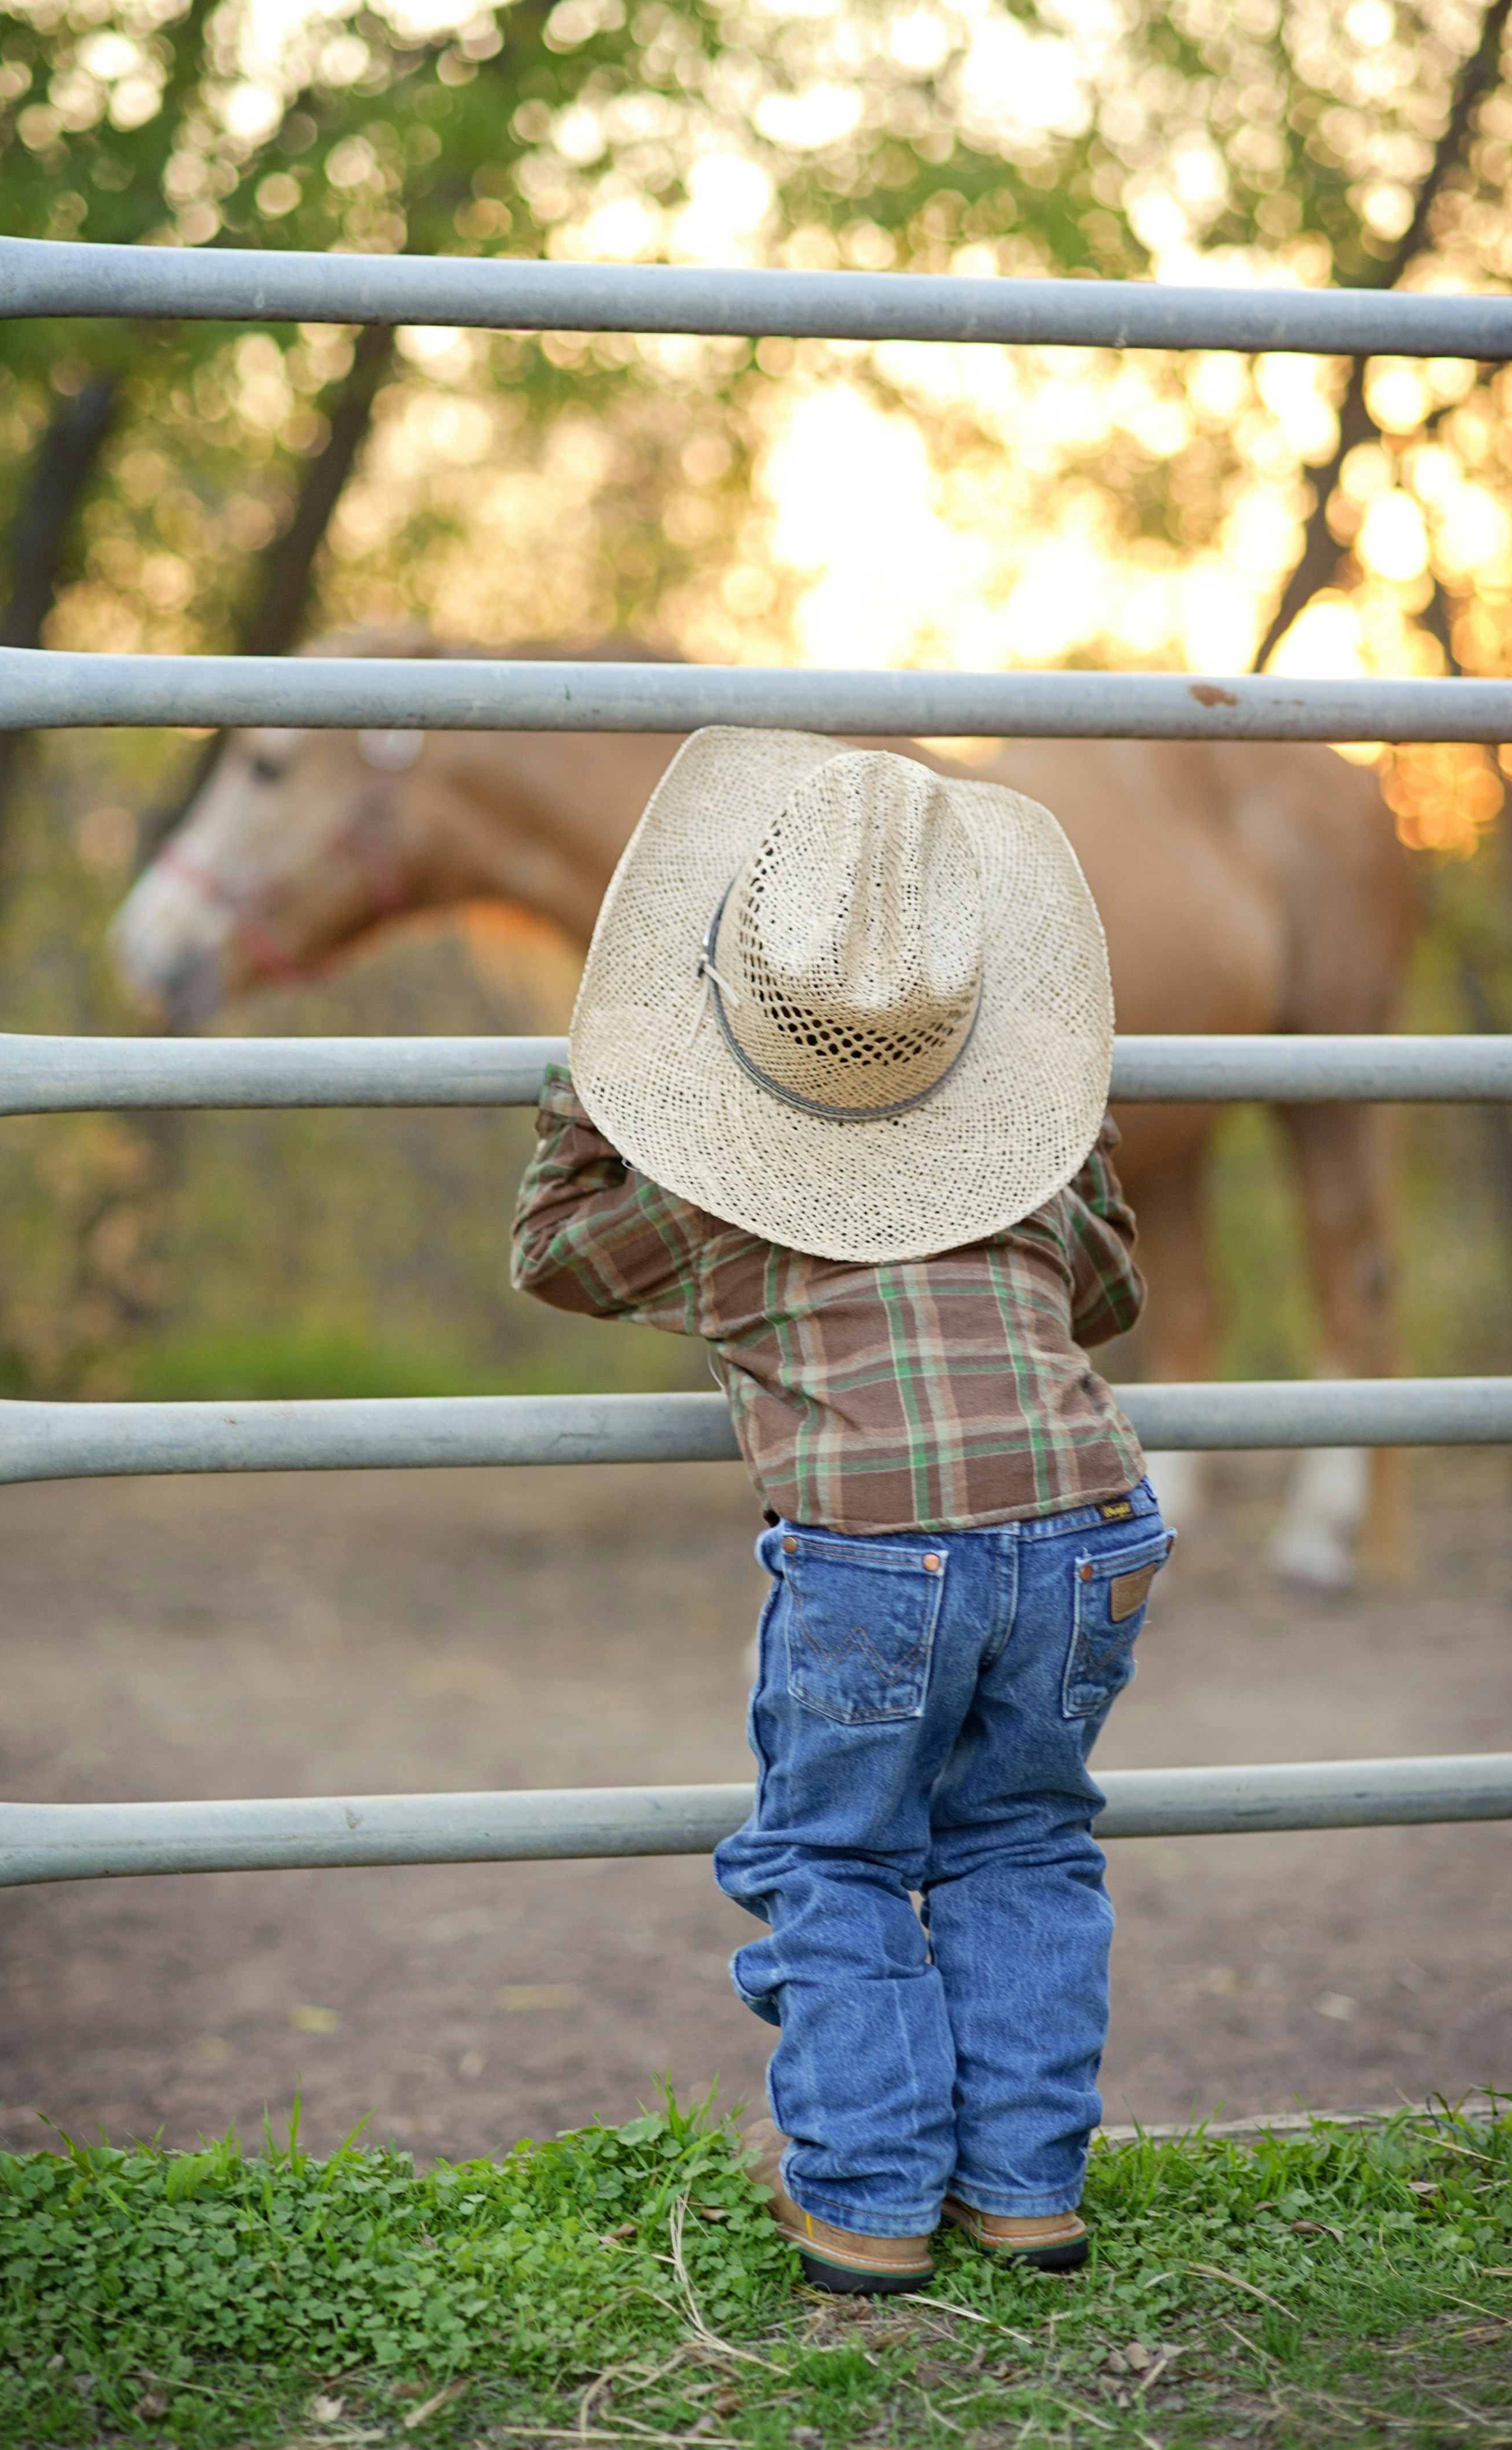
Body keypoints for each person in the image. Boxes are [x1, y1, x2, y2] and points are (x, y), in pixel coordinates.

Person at [509, 726, 1171, 2295]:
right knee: (1024, 1842)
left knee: (840, 1858)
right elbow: (1119, 1289)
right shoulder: (1021, 1174)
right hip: (1093, 1519)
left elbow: (553, 1250)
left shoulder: (701, 1197)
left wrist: (602, 1087)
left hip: (880, 1557)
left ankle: (870, 2204)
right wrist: (1053, 1130)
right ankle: (1026, 2197)